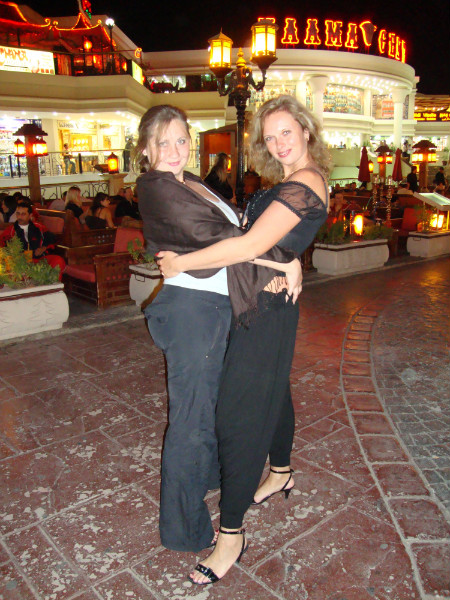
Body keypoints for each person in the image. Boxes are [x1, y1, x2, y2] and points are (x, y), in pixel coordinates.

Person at [157, 95, 330, 585]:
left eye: (286, 132)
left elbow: (251, 243)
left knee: (238, 416)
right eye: (270, 137)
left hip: (266, 311)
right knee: (275, 391)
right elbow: (264, 242)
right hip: (260, 301)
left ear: (306, 130)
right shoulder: (290, 182)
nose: (278, 143)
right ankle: (281, 470)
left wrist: (181, 263)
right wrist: (286, 261)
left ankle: (231, 533)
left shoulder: (307, 182)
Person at [135, 104, 302, 555]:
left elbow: (238, 228)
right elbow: (225, 239)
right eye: (163, 142)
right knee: (191, 420)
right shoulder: (155, 186)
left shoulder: (188, 181)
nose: (174, 150)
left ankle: (207, 478)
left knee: (209, 409)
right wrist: (282, 261)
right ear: (146, 148)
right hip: (194, 312)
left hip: (213, 307)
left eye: (181, 140)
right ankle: (184, 529)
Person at [0, 200, 65, 280]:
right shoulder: (10, 231)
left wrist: (43, 248)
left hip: (39, 260)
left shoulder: (39, 227)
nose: (20, 217)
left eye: (23, 214)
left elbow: (52, 238)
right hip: (20, 263)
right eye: (18, 213)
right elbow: (3, 247)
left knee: (58, 260)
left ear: (30, 215)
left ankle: (53, 285)